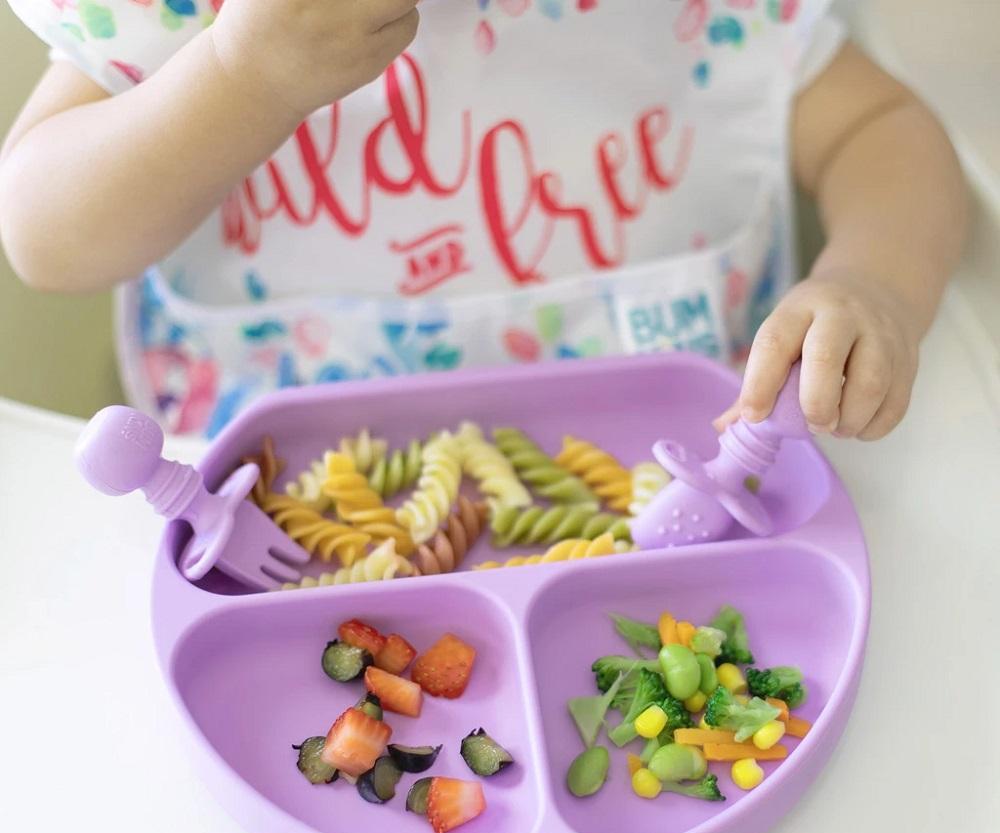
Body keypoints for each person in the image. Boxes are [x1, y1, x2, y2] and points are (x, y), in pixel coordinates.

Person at [0, 0, 966, 438]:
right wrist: (237, 79)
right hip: (281, 530)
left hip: (685, 495)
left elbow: (879, 131)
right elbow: (45, 232)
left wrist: (869, 281)